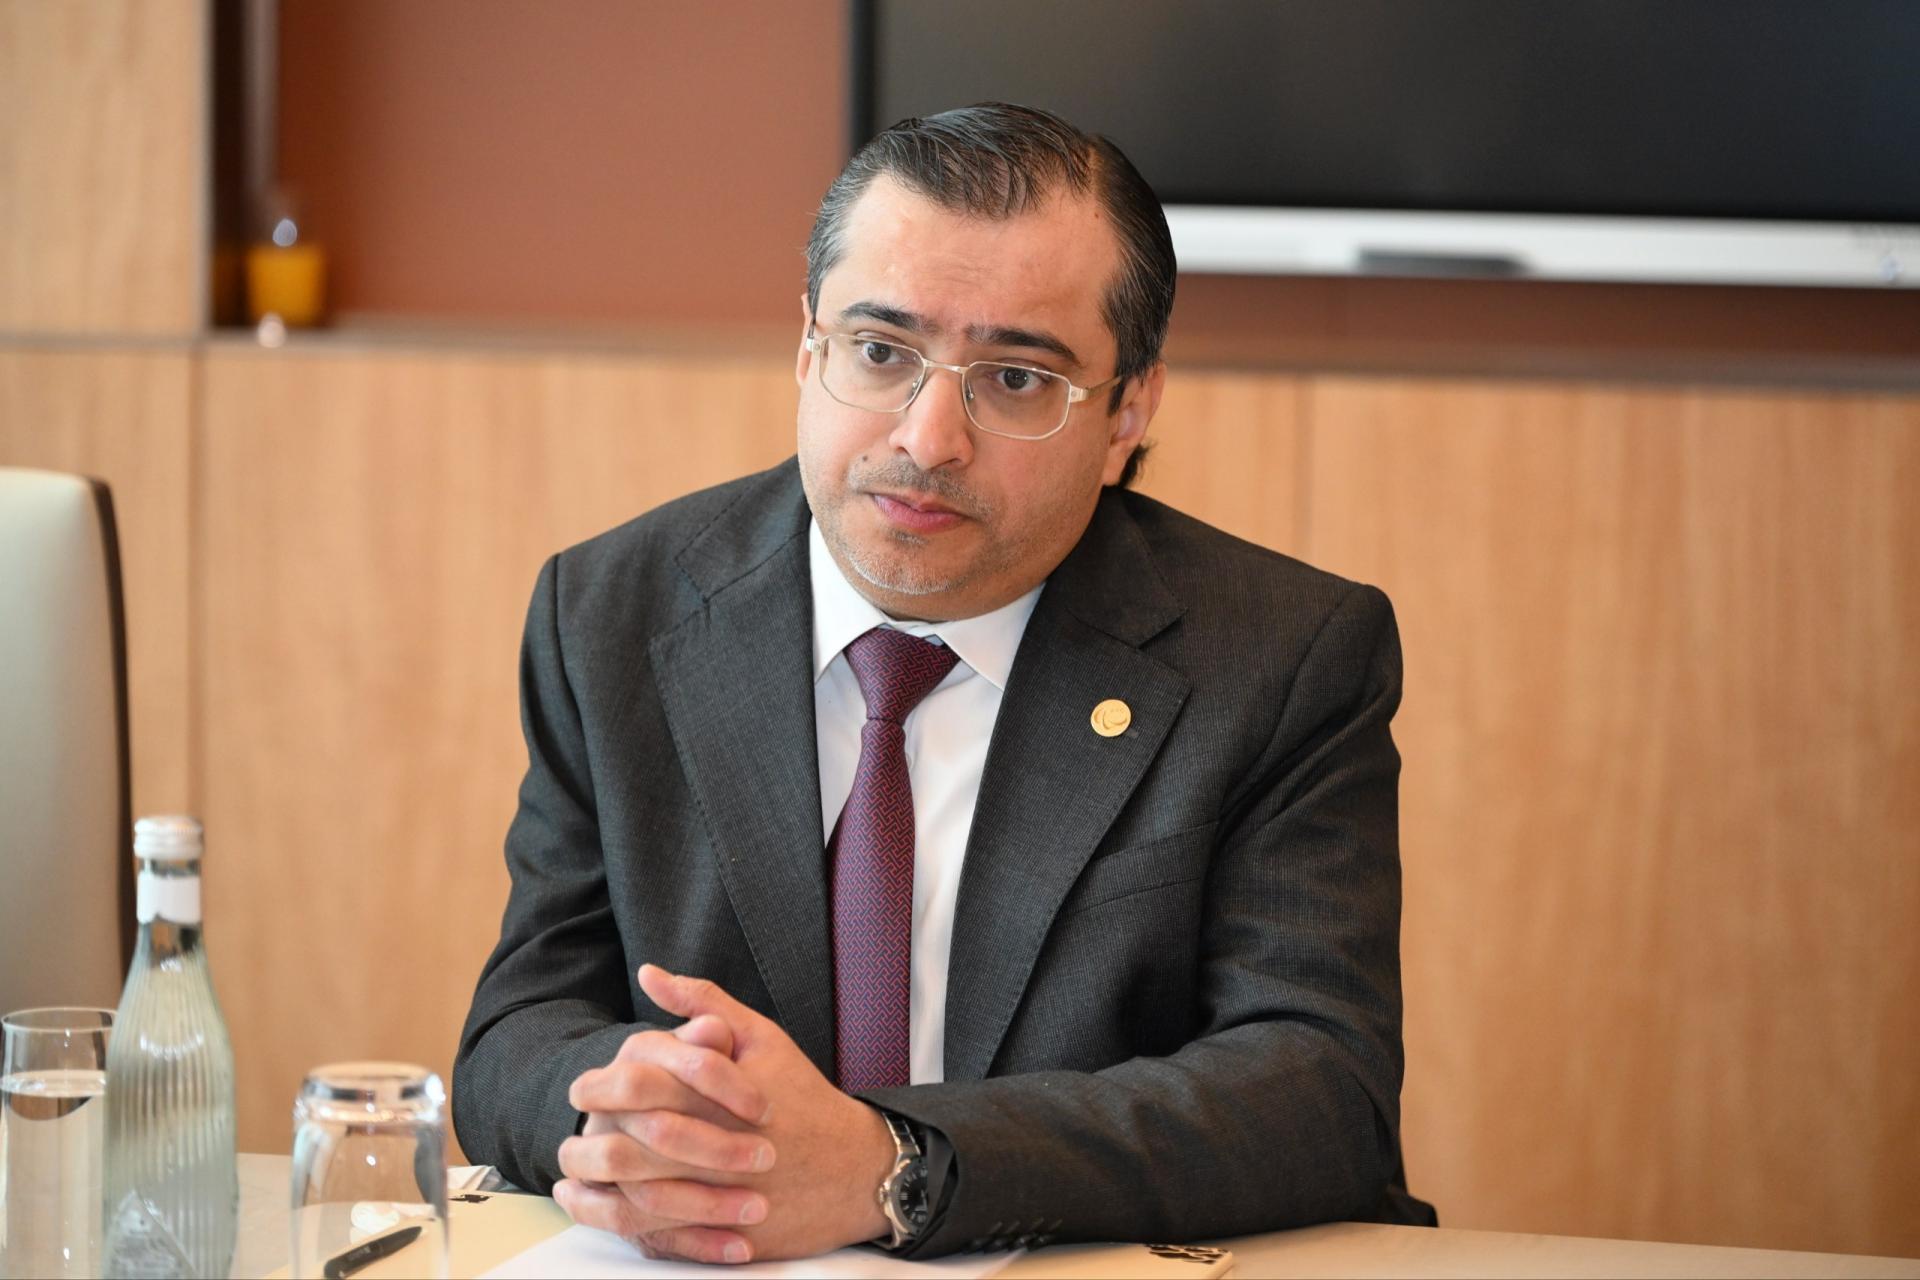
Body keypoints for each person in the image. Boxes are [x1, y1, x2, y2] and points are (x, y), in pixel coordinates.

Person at [453, 102, 1434, 1264]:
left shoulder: (1282, 655)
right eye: (880, 351)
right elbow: (519, 1034)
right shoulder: (612, 612)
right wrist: (651, 1110)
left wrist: (895, 1163)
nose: (928, 438)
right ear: (807, 346)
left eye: (1015, 377)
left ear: (1128, 411)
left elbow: (1318, 1083)